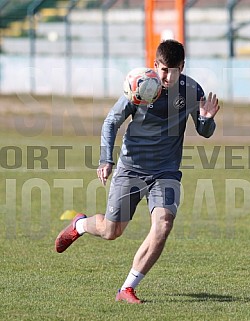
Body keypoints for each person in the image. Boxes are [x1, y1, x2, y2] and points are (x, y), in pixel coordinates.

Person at [55, 39, 220, 304]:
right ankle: (81, 224)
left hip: (165, 172)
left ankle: (127, 288)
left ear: (182, 67)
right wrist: (105, 159)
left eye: (173, 70)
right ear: (156, 65)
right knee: (112, 231)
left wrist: (206, 119)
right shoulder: (142, 84)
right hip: (130, 169)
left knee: (164, 223)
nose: (167, 76)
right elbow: (111, 121)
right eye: (163, 69)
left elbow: (204, 132)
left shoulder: (191, 90)